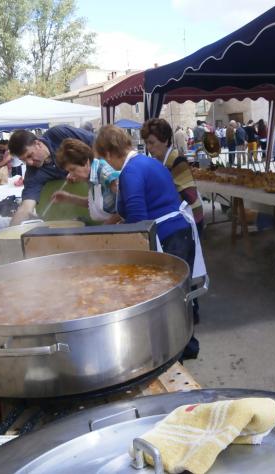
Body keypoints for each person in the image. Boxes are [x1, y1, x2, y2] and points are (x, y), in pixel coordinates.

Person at [95, 125, 202, 359]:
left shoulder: (131, 171)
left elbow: (139, 223)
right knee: (180, 294)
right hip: (181, 232)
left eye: (104, 158)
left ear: (110, 153)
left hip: (167, 237)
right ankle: (187, 344)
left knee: (167, 299)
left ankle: (173, 353)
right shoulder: (148, 162)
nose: (106, 163)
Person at [8, 125, 94, 224]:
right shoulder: (33, 174)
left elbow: (97, 144)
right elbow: (26, 207)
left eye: (30, 155)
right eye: (24, 160)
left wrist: (84, 171)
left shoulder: (59, 133)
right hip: (83, 208)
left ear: (38, 144)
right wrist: (13, 229)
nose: (30, 163)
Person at [140, 118, 204, 236]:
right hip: (177, 219)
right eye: (146, 143)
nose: (148, 147)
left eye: (151, 142)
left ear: (165, 140)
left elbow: (190, 195)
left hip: (190, 219)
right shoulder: (158, 160)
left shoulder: (177, 160)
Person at [51, 138, 120, 223]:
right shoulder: (90, 175)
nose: (70, 175)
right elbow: (95, 203)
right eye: (68, 171)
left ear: (86, 162)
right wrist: (68, 198)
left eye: (73, 169)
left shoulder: (105, 173)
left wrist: (107, 225)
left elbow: (126, 205)